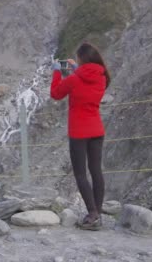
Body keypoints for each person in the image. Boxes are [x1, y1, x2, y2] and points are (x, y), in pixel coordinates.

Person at [50, 43, 111, 230]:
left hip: (79, 132)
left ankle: (92, 213)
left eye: (77, 59)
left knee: (80, 174)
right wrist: (78, 69)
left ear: (82, 59)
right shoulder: (102, 77)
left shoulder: (74, 79)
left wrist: (57, 72)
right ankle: (97, 214)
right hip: (97, 130)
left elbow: (56, 94)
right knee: (96, 171)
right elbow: (88, 77)